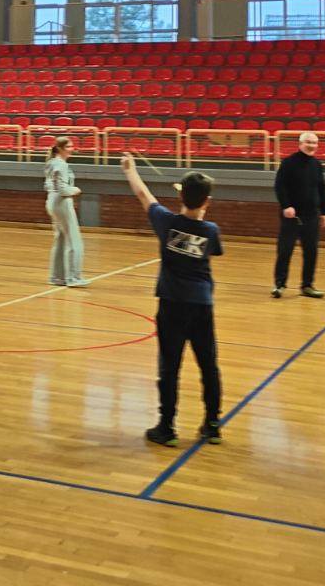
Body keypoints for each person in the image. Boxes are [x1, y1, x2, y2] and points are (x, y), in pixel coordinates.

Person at [121, 153, 224, 448]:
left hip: (171, 304)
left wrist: (130, 170)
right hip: (201, 305)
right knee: (208, 365)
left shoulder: (165, 222)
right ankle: (212, 424)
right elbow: (213, 252)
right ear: (207, 201)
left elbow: (143, 194)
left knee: (169, 367)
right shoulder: (211, 231)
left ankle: (166, 427)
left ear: (181, 196)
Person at [271, 131, 325, 298]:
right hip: (292, 217)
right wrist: (286, 206)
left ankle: (307, 286)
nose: (311, 145)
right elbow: (280, 186)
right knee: (285, 251)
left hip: (311, 216)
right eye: (308, 142)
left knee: (311, 252)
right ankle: (280, 285)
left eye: (314, 143)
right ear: (301, 143)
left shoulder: (317, 165)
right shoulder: (288, 163)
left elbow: (322, 189)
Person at [44, 136, 86, 287]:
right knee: (74, 241)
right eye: (68, 147)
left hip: (52, 201)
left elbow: (49, 185)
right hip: (61, 203)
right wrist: (75, 190)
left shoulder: (51, 163)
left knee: (61, 240)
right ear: (60, 149)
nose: (71, 149)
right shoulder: (60, 165)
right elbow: (62, 189)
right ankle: (74, 278)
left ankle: (57, 277)